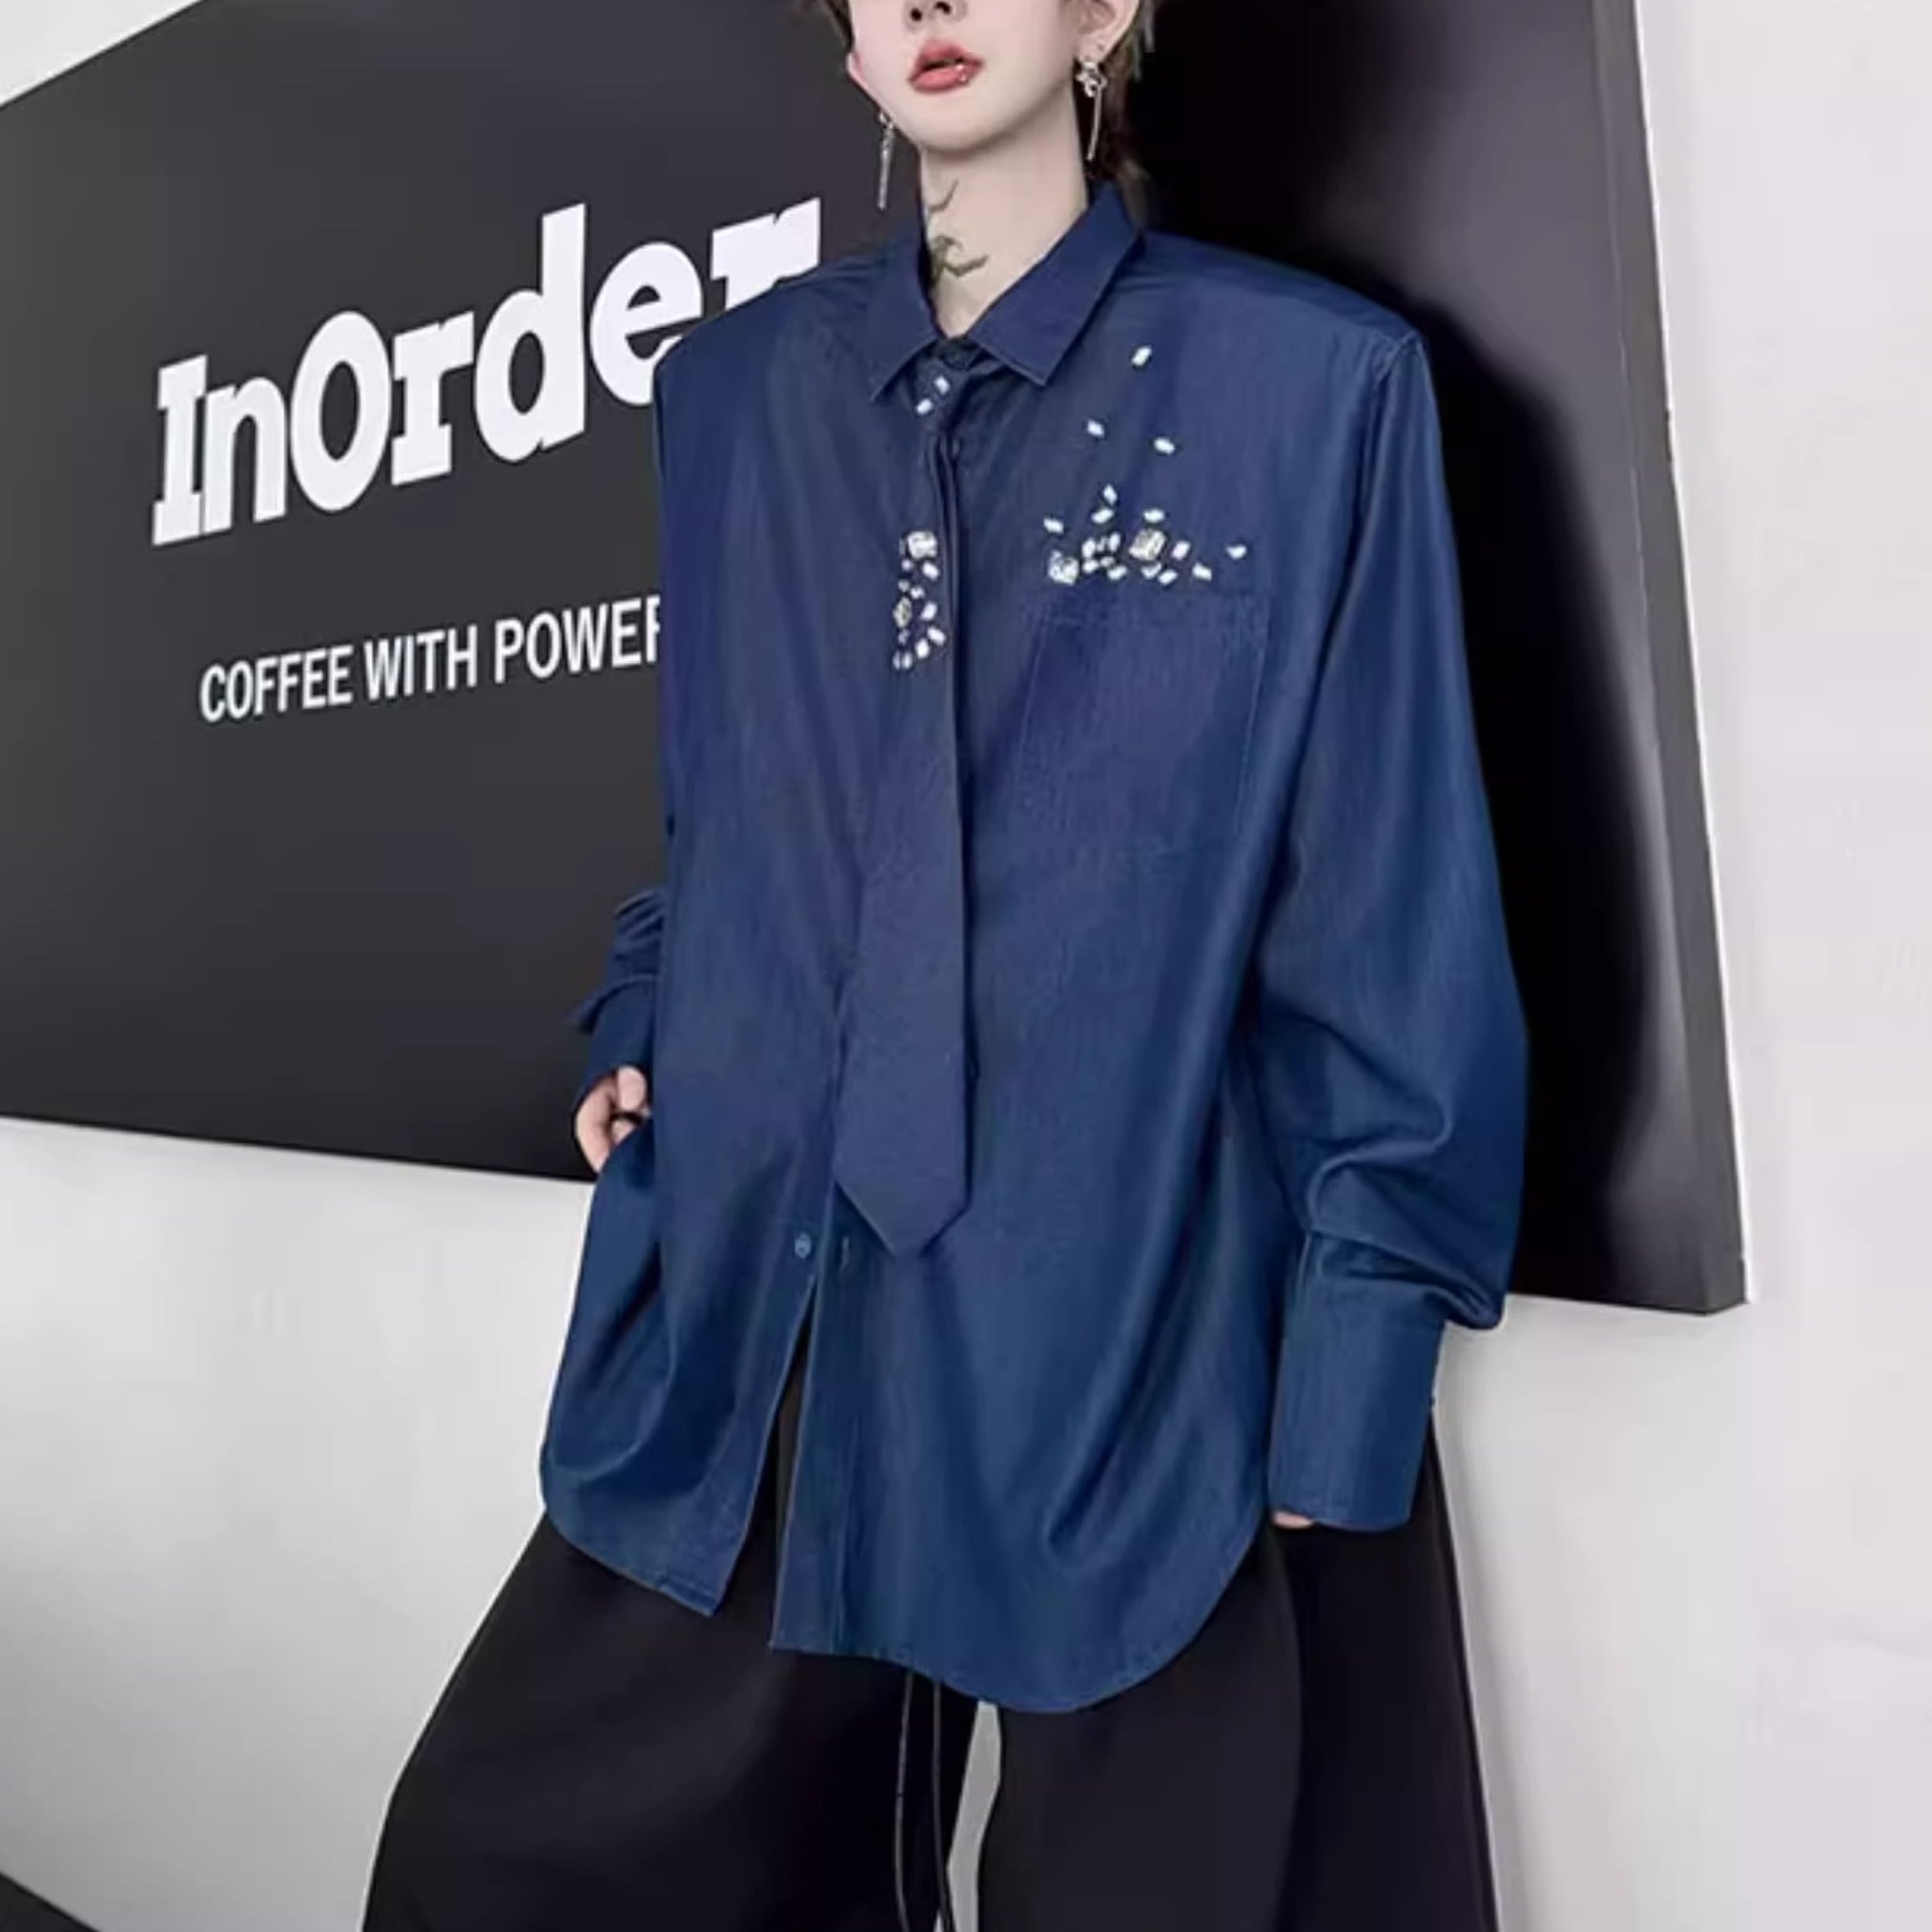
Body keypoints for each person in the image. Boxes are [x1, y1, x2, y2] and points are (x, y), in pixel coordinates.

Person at [361, 0, 1529, 1926]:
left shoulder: (1306, 389)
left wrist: (1351, 1371)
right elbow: (725, 807)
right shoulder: (735, 394)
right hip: (781, 1290)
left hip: (1136, 1316)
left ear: (1104, 11)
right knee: (494, 1857)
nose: (923, 4)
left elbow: (1382, 908)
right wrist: (651, 1015)